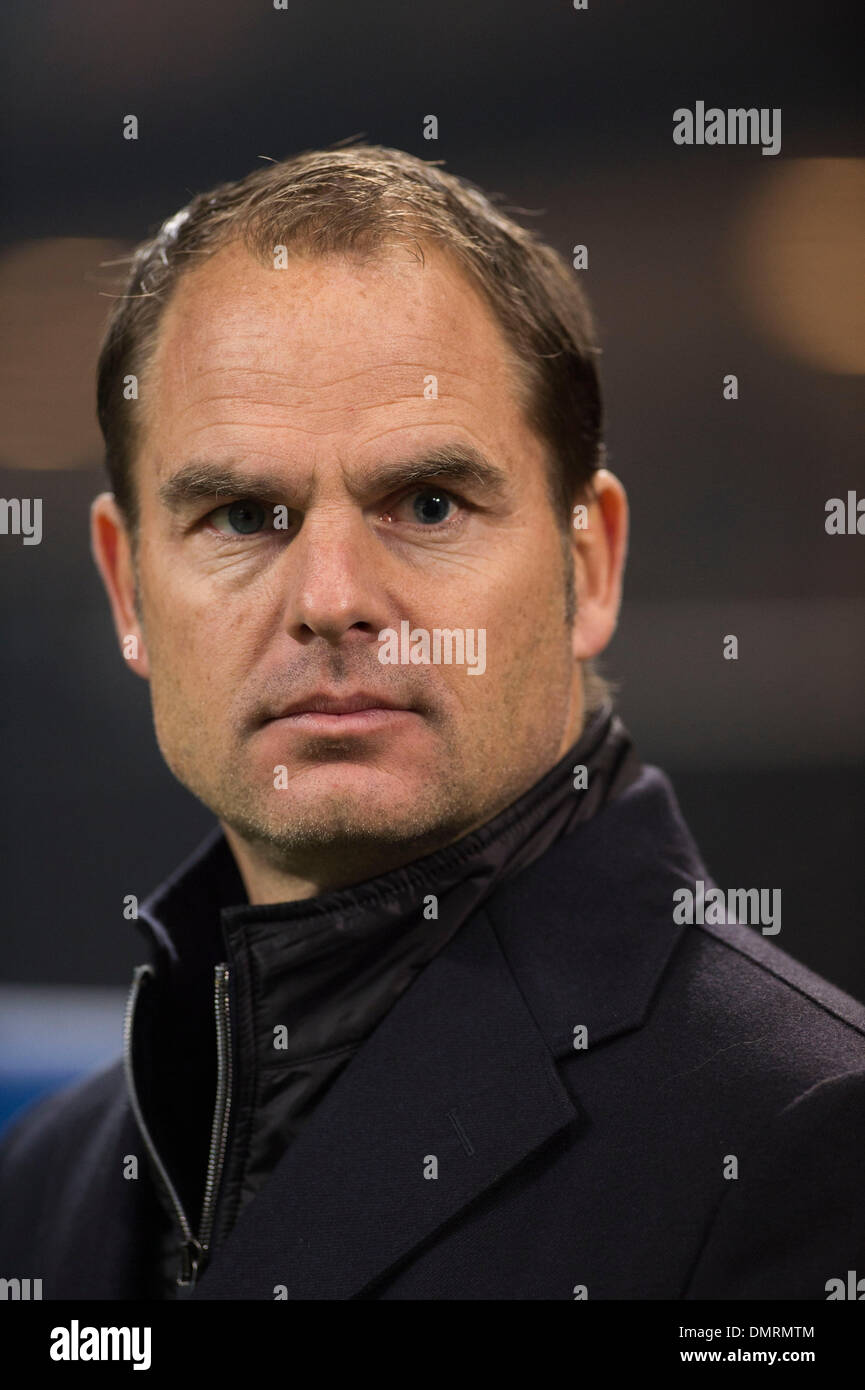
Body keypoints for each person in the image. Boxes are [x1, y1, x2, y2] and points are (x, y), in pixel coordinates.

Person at [1, 144, 863, 1301]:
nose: (330, 600)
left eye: (426, 503)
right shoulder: (45, 1181)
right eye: (243, 514)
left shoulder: (802, 1143)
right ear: (127, 589)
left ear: (589, 563)